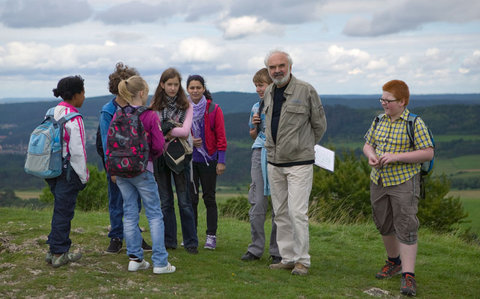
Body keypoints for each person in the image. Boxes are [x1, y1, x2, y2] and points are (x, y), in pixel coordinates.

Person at [363, 80, 434, 296]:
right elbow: (368, 144)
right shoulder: (378, 120)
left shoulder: (415, 123)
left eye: (388, 100)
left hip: (404, 181)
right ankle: (394, 262)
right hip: (379, 180)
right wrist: (371, 156)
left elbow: (428, 152)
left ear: (402, 102)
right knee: (383, 222)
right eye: (382, 99)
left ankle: (408, 275)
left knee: (406, 224)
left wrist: (396, 157)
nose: (384, 103)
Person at [263, 50, 327, 275]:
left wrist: (303, 145)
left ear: (290, 66)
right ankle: (288, 257)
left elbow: (319, 125)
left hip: (300, 162)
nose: (277, 70)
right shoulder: (270, 91)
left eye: (281, 65)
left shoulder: (306, 90)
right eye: (272, 67)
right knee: (280, 212)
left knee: (297, 212)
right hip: (274, 161)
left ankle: (303, 260)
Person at [113, 75, 175, 274]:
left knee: (130, 213)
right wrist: (150, 158)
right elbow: (157, 145)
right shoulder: (148, 115)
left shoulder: (118, 114)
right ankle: (160, 262)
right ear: (141, 93)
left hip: (122, 171)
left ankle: (135, 258)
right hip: (143, 169)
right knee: (155, 214)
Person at [99, 62, 151, 253]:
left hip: (134, 163)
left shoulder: (135, 108)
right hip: (115, 164)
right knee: (116, 201)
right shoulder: (108, 110)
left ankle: (134, 235)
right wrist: (111, 168)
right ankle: (116, 236)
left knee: (134, 202)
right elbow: (106, 142)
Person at [150, 68, 198, 254]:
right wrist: (172, 128)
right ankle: (169, 241)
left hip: (181, 157)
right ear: (162, 85)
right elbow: (155, 130)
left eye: (176, 85)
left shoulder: (186, 106)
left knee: (184, 201)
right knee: (165, 201)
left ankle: (191, 242)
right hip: (161, 156)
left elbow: (185, 132)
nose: (172, 88)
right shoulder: (155, 105)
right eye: (169, 84)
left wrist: (166, 129)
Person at [45, 75, 89, 268]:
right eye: (83, 92)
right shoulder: (74, 118)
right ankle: (59, 253)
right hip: (67, 170)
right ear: (76, 94)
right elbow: (78, 152)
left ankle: (54, 248)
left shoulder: (51, 112)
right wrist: (84, 176)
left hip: (50, 168)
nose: (84, 97)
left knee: (59, 209)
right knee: (64, 211)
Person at [241, 68, 280, 264]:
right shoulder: (256, 107)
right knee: (257, 202)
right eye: (256, 85)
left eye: (261, 84)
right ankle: (255, 248)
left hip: (277, 154)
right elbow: (253, 135)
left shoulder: (281, 106)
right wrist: (255, 125)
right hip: (259, 151)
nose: (258, 88)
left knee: (279, 204)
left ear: (271, 84)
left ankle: (277, 250)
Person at [186, 75, 227, 250]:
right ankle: (192, 235)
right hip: (189, 160)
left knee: (209, 198)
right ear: (187, 89)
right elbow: (177, 131)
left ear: (203, 89)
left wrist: (221, 161)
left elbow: (221, 136)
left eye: (198, 87)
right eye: (192, 88)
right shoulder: (183, 109)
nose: (195, 91)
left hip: (209, 159)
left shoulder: (214, 109)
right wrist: (190, 140)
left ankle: (211, 236)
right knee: (191, 199)